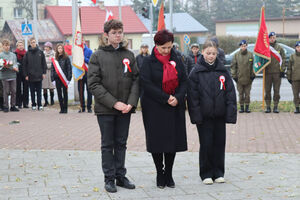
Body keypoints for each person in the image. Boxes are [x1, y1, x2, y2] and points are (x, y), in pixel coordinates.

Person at [87, 19, 139, 193]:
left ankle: (120, 176)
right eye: (114, 32)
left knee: (121, 143)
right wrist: (114, 103)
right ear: (106, 35)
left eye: (120, 32)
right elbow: (94, 84)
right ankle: (109, 178)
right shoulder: (98, 56)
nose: (118, 35)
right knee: (108, 144)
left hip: (125, 108)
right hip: (106, 109)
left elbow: (136, 81)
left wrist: (130, 103)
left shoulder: (129, 55)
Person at [140, 29, 187, 189]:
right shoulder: (148, 62)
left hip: (174, 106)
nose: (167, 51)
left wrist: (178, 97)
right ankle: (160, 172)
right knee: (157, 142)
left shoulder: (177, 59)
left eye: (169, 47)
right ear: (156, 46)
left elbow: (184, 81)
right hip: (155, 107)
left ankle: (169, 173)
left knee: (172, 141)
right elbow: (146, 84)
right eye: (163, 48)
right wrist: (165, 97)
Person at [187, 40, 237, 185]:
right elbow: (193, 97)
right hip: (204, 116)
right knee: (206, 143)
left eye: (214, 53)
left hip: (219, 115)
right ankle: (206, 173)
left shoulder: (223, 71)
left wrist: (230, 114)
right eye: (208, 53)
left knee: (219, 143)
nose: (211, 56)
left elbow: (230, 94)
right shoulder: (196, 72)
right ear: (202, 52)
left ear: (217, 53)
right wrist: (196, 116)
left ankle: (219, 172)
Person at [231, 40, 255, 113]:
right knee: (241, 94)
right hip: (239, 78)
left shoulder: (250, 55)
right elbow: (233, 66)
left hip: (248, 78)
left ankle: (247, 107)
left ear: (247, 46)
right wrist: (234, 76)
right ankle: (241, 107)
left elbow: (253, 66)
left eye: (245, 46)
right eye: (242, 46)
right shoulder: (236, 55)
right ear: (240, 47)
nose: (243, 47)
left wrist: (253, 75)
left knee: (247, 94)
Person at [23, 37, 47, 111]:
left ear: (36, 43)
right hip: (30, 76)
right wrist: (26, 75)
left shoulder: (40, 52)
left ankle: (39, 105)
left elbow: (44, 63)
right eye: (31, 42)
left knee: (39, 92)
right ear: (30, 43)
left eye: (34, 42)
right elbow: (24, 65)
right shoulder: (27, 53)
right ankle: (33, 104)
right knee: (32, 91)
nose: (33, 43)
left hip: (39, 75)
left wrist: (44, 73)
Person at [265, 32, 286, 113]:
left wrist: (282, 70)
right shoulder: (266, 47)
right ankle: (268, 106)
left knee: (276, 91)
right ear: (268, 38)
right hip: (267, 72)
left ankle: (276, 106)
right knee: (267, 91)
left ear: (275, 38)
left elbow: (283, 59)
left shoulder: (279, 48)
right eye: (271, 38)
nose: (272, 39)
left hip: (277, 73)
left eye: (274, 37)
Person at [51, 43, 72, 114]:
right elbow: (52, 69)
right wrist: (52, 78)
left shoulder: (66, 58)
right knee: (59, 93)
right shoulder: (54, 59)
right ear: (57, 49)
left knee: (65, 93)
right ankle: (61, 108)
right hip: (57, 78)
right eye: (58, 48)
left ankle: (65, 108)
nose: (60, 50)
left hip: (64, 78)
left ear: (63, 49)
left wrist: (69, 78)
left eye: (61, 48)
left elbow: (69, 68)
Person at [0, 39, 19, 112]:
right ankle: (6, 106)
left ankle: (13, 105)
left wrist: (16, 68)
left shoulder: (13, 55)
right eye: (5, 45)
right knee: (6, 91)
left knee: (14, 91)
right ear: (3, 46)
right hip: (5, 76)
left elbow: (15, 64)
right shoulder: (1, 55)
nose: (7, 47)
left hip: (13, 75)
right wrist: (4, 66)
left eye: (8, 45)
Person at [78, 42, 93, 113]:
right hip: (80, 74)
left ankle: (89, 107)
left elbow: (92, 61)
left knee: (89, 91)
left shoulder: (89, 51)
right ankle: (82, 107)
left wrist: (84, 58)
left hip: (88, 73)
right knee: (80, 91)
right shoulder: (77, 51)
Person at [15, 40, 29, 109]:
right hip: (17, 73)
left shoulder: (27, 53)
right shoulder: (14, 54)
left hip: (25, 73)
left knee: (26, 88)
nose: (21, 46)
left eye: (22, 45)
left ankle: (25, 103)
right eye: (19, 45)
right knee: (18, 88)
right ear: (17, 46)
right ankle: (18, 103)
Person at [287, 41, 300, 114]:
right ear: (295, 48)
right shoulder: (292, 56)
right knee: (295, 94)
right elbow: (289, 68)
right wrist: (289, 77)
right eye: (298, 47)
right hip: (295, 79)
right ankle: (297, 108)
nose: (299, 48)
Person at [42, 42, 55, 107]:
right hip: (45, 71)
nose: (46, 48)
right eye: (45, 47)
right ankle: (46, 101)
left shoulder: (53, 54)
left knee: (51, 87)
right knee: (44, 87)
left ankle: (52, 100)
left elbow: (55, 62)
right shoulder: (42, 54)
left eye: (47, 47)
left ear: (50, 47)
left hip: (51, 71)